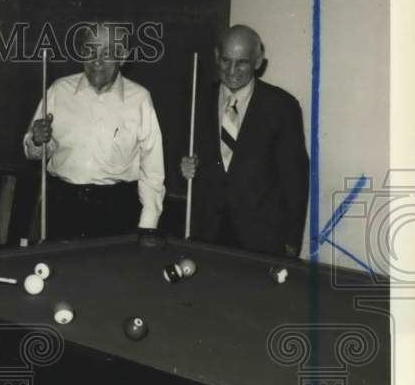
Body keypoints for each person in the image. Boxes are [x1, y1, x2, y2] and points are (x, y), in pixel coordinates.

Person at [24, 23, 165, 239]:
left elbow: (152, 168)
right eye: (90, 50)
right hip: (62, 206)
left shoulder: (140, 99)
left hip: (116, 210)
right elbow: (34, 152)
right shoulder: (58, 91)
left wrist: (148, 224)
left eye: (107, 53)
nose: (97, 60)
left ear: (123, 56)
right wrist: (36, 140)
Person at [180, 25, 308, 257]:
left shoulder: (282, 106)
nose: (231, 70)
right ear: (216, 57)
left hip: (262, 237)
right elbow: (177, 154)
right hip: (207, 232)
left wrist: (292, 237)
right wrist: (183, 166)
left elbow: (295, 178)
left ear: (258, 62)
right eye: (226, 61)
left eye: (242, 62)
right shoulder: (197, 99)